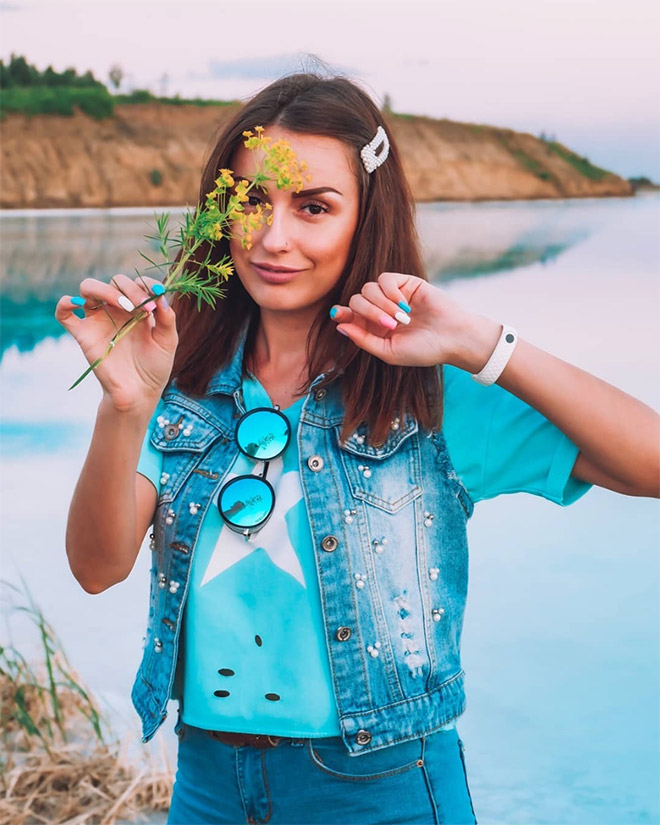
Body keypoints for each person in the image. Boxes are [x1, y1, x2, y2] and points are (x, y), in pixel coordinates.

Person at [55, 73, 660, 825]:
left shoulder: (425, 391)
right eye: (250, 201)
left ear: (364, 217)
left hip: (385, 789)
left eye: (313, 207)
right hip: (207, 785)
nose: (274, 237)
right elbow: (96, 565)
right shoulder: (175, 368)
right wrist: (125, 405)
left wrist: (480, 344)